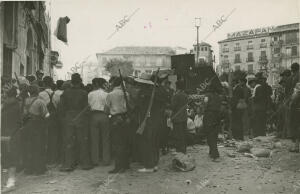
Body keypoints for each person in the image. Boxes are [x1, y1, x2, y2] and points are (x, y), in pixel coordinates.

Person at [135, 73, 169, 172]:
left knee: (147, 142)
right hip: (157, 120)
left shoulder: (144, 93)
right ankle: (154, 164)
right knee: (154, 142)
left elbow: (139, 106)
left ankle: (149, 166)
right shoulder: (158, 92)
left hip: (148, 120)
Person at [60, 73, 92, 171]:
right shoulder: (84, 93)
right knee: (82, 140)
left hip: (68, 118)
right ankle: (85, 164)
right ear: (80, 81)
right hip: (80, 118)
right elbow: (86, 108)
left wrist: (65, 117)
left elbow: (61, 108)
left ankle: (68, 164)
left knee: (69, 141)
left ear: (71, 81)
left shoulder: (65, 93)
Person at [23, 85, 49, 175]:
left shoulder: (26, 100)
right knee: (39, 146)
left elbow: (24, 113)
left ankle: (29, 169)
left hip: (28, 125)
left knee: (29, 146)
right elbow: (46, 114)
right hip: (38, 125)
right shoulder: (40, 101)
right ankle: (39, 169)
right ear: (37, 91)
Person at [106, 77, 129, 173]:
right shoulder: (126, 93)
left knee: (117, 143)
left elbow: (106, 108)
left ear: (114, 84)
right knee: (124, 142)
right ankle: (125, 164)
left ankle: (118, 166)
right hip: (125, 118)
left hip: (115, 118)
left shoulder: (110, 94)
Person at [1, 87, 21, 191]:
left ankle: (11, 182)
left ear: (11, 97)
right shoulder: (8, 106)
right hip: (7, 136)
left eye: (5, 96)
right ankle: (10, 180)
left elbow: (15, 123)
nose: (3, 98)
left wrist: (9, 135)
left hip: (10, 136)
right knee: (7, 158)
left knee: (11, 158)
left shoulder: (14, 107)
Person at [88, 78, 110, 166]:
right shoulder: (106, 94)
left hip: (93, 116)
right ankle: (106, 160)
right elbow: (108, 106)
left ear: (95, 84)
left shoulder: (90, 94)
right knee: (106, 139)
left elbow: (88, 106)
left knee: (94, 139)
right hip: (104, 116)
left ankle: (95, 160)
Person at [203, 84, 222, 162]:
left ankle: (215, 154)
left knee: (209, 133)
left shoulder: (207, 95)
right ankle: (211, 151)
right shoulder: (218, 96)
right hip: (217, 115)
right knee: (214, 133)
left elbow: (205, 104)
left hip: (209, 115)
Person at [252, 72, 272, 137]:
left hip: (258, 107)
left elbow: (257, 98)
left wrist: (253, 98)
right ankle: (262, 134)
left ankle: (258, 135)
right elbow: (269, 97)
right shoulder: (268, 87)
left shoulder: (258, 87)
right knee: (262, 122)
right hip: (264, 107)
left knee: (258, 121)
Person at [171, 80, 189, 154]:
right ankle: (183, 149)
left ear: (177, 86)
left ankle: (179, 150)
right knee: (183, 134)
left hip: (177, 118)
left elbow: (173, 106)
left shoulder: (176, 95)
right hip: (184, 117)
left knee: (178, 135)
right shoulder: (185, 95)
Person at [290, 82, 300, 153]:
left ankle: (296, 147)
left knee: (297, 129)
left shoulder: (297, 95)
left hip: (297, 113)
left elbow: (292, 103)